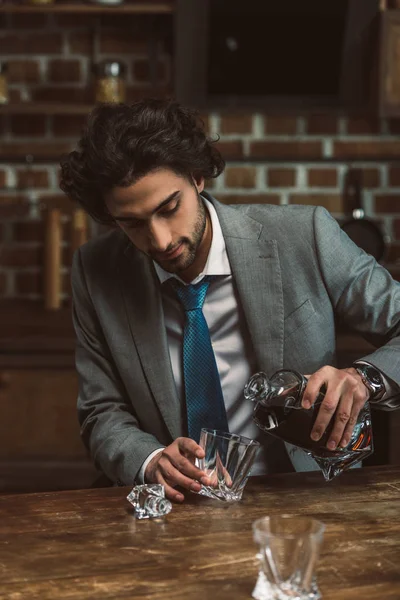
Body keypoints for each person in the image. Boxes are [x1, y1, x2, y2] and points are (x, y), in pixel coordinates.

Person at [60, 99, 400, 503]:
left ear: (198, 177)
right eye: (131, 223)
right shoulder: (95, 270)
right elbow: (101, 410)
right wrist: (150, 460)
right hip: (176, 507)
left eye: (170, 208)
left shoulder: (305, 235)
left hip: (305, 495)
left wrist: (365, 378)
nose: (161, 240)